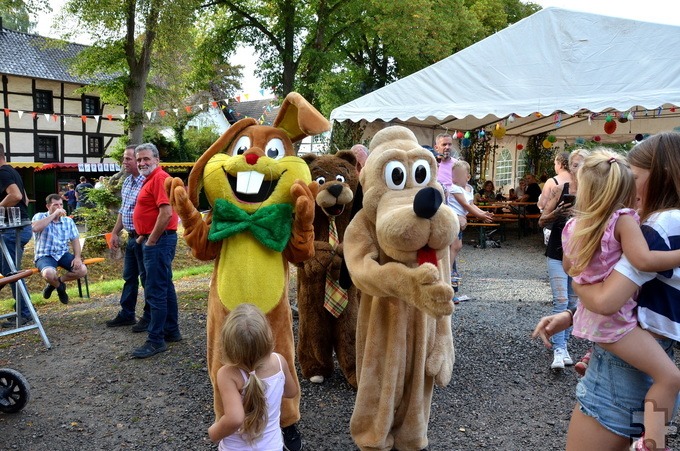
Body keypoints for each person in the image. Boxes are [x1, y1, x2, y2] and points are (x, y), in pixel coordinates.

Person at [533, 132, 680, 451]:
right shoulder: (633, 223)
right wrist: (572, 312)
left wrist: (577, 291)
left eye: (635, 176)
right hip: (634, 353)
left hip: (619, 373)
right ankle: (653, 439)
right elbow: (631, 289)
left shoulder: (651, 227)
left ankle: (653, 444)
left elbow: (601, 296)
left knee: (662, 389)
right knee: (656, 404)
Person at [208, 303, 298, 449]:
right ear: (268, 339)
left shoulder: (227, 374)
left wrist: (213, 433)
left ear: (228, 346)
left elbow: (235, 419)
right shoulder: (279, 362)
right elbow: (291, 392)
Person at [537, 149, 588, 370]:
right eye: (574, 164)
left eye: (582, 164)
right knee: (561, 301)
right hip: (557, 252)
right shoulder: (560, 189)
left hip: (582, 254)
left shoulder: (594, 192)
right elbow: (541, 221)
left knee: (574, 302)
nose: (578, 169)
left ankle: (564, 344)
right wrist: (556, 213)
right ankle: (559, 349)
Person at [131, 143, 180, 359]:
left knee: (156, 291)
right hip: (154, 240)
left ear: (156, 159)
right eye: (139, 159)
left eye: (145, 159)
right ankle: (171, 331)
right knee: (165, 287)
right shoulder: (150, 179)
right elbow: (151, 212)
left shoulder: (159, 178)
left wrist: (150, 241)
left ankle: (156, 340)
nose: (142, 163)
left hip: (159, 242)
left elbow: (166, 213)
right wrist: (142, 235)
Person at [105, 145, 150, 331]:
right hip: (131, 237)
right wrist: (115, 232)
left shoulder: (145, 181)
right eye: (125, 158)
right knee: (129, 277)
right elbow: (123, 212)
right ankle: (127, 313)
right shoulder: (127, 182)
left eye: (128, 159)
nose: (125, 162)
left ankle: (149, 317)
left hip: (145, 238)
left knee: (147, 279)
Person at [448, 160, 493, 303]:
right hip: (452, 218)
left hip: (460, 220)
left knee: (458, 246)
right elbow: (465, 205)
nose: (456, 177)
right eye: (454, 175)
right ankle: (447, 269)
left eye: (460, 175)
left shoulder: (469, 188)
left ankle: (449, 269)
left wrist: (483, 213)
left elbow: (472, 204)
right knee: (455, 246)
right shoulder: (454, 188)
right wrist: (480, 215)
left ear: (467, 177)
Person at [0, 143, 34, 327]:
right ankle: (24, 310)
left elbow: (16, 196)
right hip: (19, 227)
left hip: (14, 230)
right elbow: (26, 199)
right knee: (8, 270)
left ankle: (25, 313)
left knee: (11, 272)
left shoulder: (3, 173)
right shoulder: (13, 171)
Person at [31, 193, 87, 305]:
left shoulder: (68, 221)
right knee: (48, 274)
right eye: (55, 205)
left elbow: (75, 240)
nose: (59, 208)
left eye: (61, 205)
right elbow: (35, 228)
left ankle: (58, 283)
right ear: (48, 206)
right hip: (44, 255)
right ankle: (60, 288)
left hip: (62, 253)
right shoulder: (39, 216)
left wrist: (77, 257)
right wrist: (54, 215)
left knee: (82, 270)